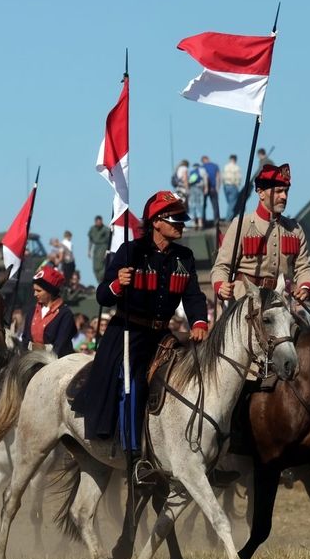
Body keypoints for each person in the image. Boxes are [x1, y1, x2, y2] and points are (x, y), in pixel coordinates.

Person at [72, 191, 208, 471]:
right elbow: (102, 297)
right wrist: (116, 285)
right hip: (127, 333)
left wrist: (199, 322)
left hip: (162, 336)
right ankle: (134, 453)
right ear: (157, 222)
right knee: (133, 381)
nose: (181, 224)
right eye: (175, 219)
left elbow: (193, 296)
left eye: (182, 219)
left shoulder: (185, 256)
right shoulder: (130, 252)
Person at [211, 163, 310, 303]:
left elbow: (304, 268)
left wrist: (305, 287)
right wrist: (221, 285)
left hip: (280, 302)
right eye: (278, 191)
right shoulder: (242, 224)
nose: (284, 196)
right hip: (243, 300)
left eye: (286, 191)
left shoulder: (294, 229)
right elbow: (222, 266)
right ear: (261, 193)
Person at [22, 265, 75, 357]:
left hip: (55, 363)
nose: (35, 294)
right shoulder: (32, 311)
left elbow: (60, 346)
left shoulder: (65, 314)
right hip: (31, 360)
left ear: (50, 291)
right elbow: (25, 340)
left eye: (39, 291)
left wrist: (37, 348)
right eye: (34, 290)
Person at [87, 215, 111, 285]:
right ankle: (100, 283)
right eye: (97, 221)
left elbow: (109, 240)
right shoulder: (92, 229)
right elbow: (90, 240)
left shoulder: (105, 229)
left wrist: (107, 251)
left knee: (101, 267)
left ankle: (103, 282)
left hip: (103, 247)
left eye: (100, 221)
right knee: (95, 268)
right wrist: (89, 250)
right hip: (96, 248)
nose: (99, 223)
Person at [200, 155, 220, 227]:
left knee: (203, 205)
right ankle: (216, 220)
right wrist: (217, 187)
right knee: (215, 205)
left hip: (204, 189)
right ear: (208, 159)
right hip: (213, 188)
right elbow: (218, 176)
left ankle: (203, 220)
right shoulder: (215, 166)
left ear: (203, 160)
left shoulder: (202, 167)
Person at [221, 154, 243, 220]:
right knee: (232, 203)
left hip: (226, 186)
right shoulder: (236, 167)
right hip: (233, 186)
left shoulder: (226, 167)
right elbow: (239, 178)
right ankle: (228, 218)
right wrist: (237, 184)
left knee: (229, 202)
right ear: (235, 160)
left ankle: (229, 216)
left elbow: (223, 176)